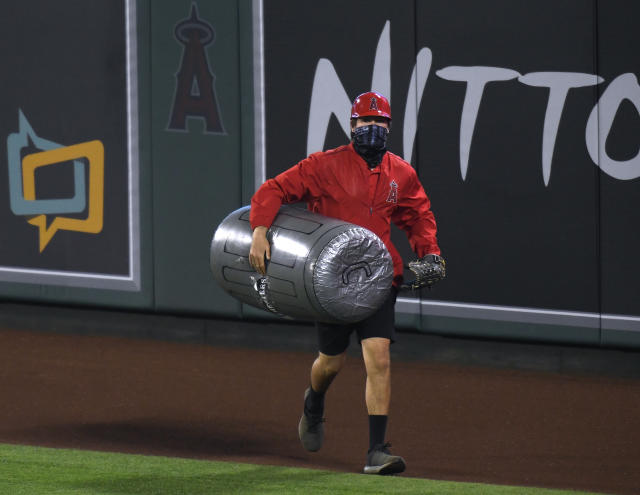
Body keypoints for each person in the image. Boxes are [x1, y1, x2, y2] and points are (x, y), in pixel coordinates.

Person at [248, 91, 443, 475]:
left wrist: (430, 253)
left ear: (389, 127)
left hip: (378, 277)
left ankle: (376, 451)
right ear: (352, 126)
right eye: (365, 122)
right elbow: (274, 190)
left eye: (380, 122)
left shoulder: (400, 173)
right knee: (330, 362)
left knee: (379, 357)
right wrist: (259, 231)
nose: (373, 128)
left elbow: (418, 215)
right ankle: (314, 400)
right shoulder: (324, 166)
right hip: (331, 282)